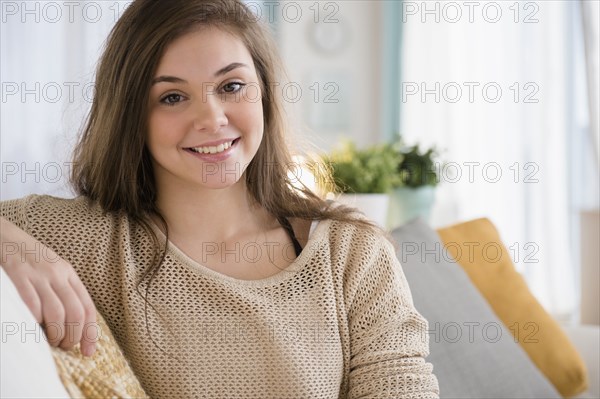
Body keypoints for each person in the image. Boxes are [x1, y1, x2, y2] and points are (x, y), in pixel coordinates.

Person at [0, 0, 439, 397]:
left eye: (231, 86)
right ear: (132, 114)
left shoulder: (350, 252)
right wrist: (11, 246)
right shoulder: (83, 239)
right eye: (172, 97)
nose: (212, 117)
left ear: (263, 92)